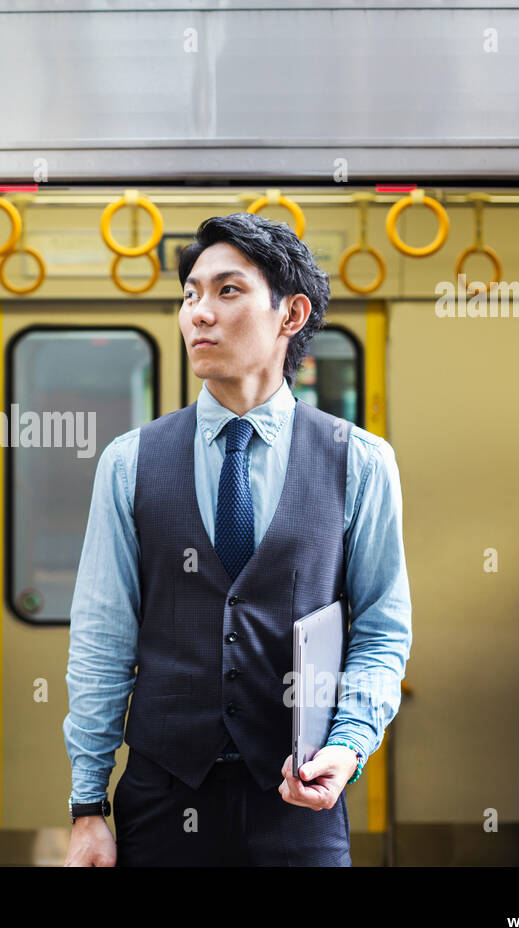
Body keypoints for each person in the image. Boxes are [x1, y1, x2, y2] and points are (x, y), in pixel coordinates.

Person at [62, 212, 412, 867]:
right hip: (163, 800)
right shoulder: (130, 462)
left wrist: (348, 744)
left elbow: (381, 629)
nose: (199, 313)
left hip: (299, 798)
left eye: (227, 291)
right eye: (190, 294)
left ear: (290, 314)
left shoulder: (357, 461)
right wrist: (87, 806)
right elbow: (101, 640)